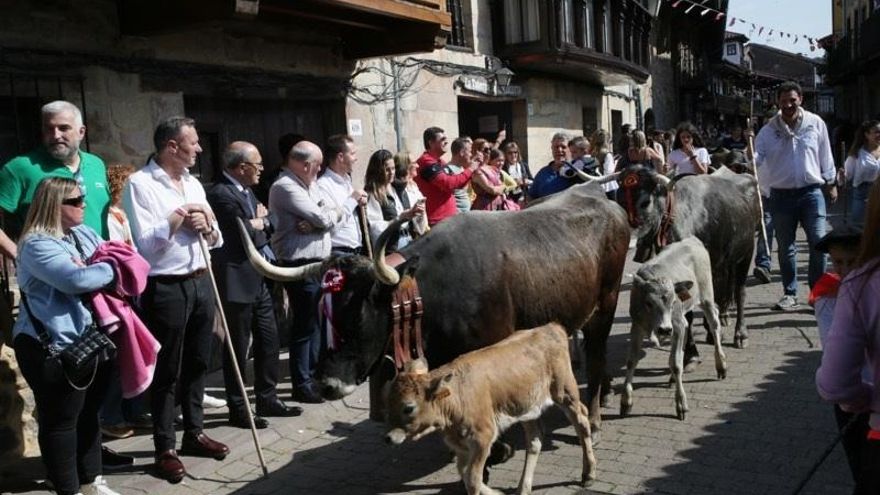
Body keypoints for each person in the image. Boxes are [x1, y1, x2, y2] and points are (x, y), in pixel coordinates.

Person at [123, 116, 227, 483]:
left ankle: (194, 432)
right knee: (167, 369)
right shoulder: (140, 184)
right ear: (172, 146)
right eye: (193, 142)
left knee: (200, 359)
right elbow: (145, 245)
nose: (199, 148)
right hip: (165, 286)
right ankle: (164, 447)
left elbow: (217, 240)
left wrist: (209, 228)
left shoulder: (194, 184)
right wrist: (176, 221)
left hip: (201, 279)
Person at [12, 177, 120, 495]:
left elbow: (119, 254)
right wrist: (110, 268)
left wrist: (100, 265)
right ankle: (67, 488)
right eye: (75, 201)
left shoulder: (80, 233)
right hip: (49, 346)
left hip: (85, 337)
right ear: (54, 206)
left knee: (88, 413)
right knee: (61, 420)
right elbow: (76, 279)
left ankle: (90, 480)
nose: (84, 204)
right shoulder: (36, 243)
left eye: (82, 198)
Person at [206, 141, 302, 431]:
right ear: (242, 166)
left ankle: (267, 397)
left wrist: (259, 222)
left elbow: (266, 223)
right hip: (236, 279)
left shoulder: (247, 190)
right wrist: (257, 223)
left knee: (269, 338)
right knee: (237, 346)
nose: (262, 169)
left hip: (259, 276)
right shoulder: (221, 193)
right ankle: (238, 408)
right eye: (257, 164)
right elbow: (239, 232)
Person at [747, 81, 837, 311]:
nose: (788, 105)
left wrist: (831, 181)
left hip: (811, 192)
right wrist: (749, 151)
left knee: (819, 242)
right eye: (783, 101)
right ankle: (790, 293)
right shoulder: (768, 131)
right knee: (786, 247)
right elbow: (756, 161)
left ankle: (817, 293)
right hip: (781, 196)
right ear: (777, 102)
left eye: (792, 100)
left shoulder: (815, 123)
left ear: (801, 100)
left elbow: (826, 154)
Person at [270, 140, 347, 404]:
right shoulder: (286, 187)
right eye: (317, 165)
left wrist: (319, 222)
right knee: (305, 324)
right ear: (305, 165)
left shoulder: (311, 185)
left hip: (319, 263)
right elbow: (325, 217)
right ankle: (301, 383)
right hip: (299, 265)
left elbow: (333, 215)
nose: (319, 170)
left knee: (316, 322)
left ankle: (313, 375)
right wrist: (324, 218)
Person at [815, 192, 880, 493]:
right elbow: (830, 344)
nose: (843, 269)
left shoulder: (862, 287)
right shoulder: (826, 296)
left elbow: (833, 381)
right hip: (856, 396)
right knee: (859, 460)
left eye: (851, 261)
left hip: (866, 398)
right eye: (837, 262)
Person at [0, 100, 111, 258]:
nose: (55, 135)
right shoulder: (21, 168)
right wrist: (19, 255)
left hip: (101, 267)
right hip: (51, 273)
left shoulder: (96, 164)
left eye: (63, 128)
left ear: (81, 132)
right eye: (49, 129)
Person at [363, 149, 426, 251]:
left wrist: (419, 213)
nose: (391, 173)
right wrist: (399, 219)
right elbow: (375, 229)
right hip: (390, 249)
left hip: (409, 242)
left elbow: (418, 227)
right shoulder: (373, 194)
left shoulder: (399, 189)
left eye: (393, 169)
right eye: (387, 169)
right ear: (378, 170)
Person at [317, 135, 368, 257]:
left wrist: (360, 203)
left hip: (356, 250)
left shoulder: (346, 181)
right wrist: (352, 200)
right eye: (352, 154)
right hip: (340, 253)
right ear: (340, 157)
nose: (356, 159)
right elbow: (331, 227)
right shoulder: (323, 186)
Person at [414, 129, 476, 226]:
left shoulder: (439, 161)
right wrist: (470, 169)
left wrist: (471, 169)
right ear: (431, 143)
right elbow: (448, 183)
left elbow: (457, 184)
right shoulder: (426, 161)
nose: (446, 142)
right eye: (442, 139)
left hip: (448, 219)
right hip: (437, 221)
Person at [843, 120, 880, 224]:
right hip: (863, 196)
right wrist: (842, 175)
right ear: (867, 135)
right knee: (861, 230)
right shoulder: (857, 154)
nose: (879, 135)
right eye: (876, 132)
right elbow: (847, 176)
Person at [528, 132, 575, 200]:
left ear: (571, 149)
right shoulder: (543, 173)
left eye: (563, 147)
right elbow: (531, 195)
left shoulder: (578, 172)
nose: (559, 150)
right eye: (556, 147)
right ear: (552, 149)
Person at [445, 137, 475, 213]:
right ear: (462, 152)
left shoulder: (462, 168)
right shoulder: (447, 170)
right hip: (456, 216)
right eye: (470, 151)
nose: (471, 155)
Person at [589, 129, 619, 200]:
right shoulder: (607, 154)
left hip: (597, 186)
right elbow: (609, 172)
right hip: (609, 186)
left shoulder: (592, 153)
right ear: (606, 141)